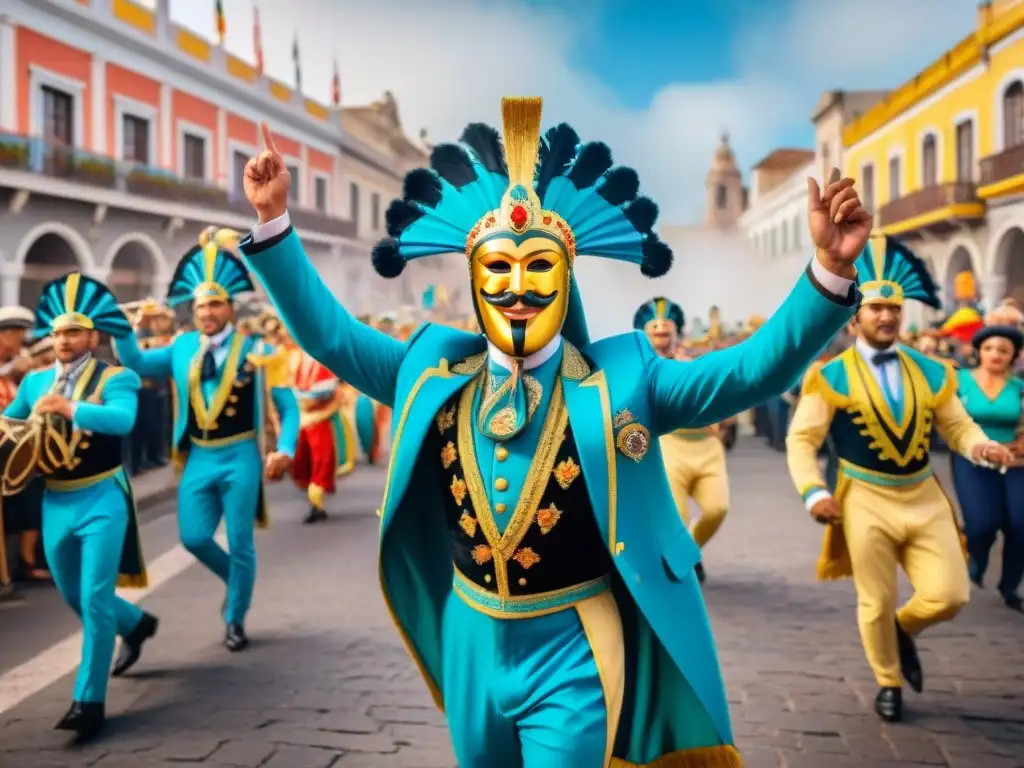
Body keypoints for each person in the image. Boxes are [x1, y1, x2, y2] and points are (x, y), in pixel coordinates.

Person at [236, 106, 867, 766]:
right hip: (468, 638)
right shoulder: (429, 369)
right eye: (497, 272)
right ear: (476, 286)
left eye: (537, 268)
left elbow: (746, 372)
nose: (516, 289)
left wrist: (827, 273)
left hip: (576, 647)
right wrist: (275, 225)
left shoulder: (626, 381)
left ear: (565, 282)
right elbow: (330, 336)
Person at [785, 234, 1015, 723]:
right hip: (863, 497)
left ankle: (900, 629)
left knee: (951, 594)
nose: (886, 316)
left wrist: (981, 446)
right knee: (874, 598)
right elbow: (802, 441)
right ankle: (887, 680)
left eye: (893, 308)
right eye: (875, 309)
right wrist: (814, 490)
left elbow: (956, 425)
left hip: (924, 496)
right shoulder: (830, 375)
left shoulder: (933, 370)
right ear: (856, 317)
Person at [112, 229, 299, 652]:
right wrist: (125, 330)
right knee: (194, 537)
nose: (208, 312)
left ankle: (235, 618)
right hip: (198, 456)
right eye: (200, 305)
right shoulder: (180, 348)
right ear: (192, 310)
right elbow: (137, 361)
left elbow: (288, 408)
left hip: (240, 455)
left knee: (240, 540)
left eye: (215, 303)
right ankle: (239, 581)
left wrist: (284, 449)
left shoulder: (258, 348)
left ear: (230, 307)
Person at [3, 273, 156, 740]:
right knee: (73, 593)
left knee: (92, 596)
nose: (63, 340)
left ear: (93, 336)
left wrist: (70, 410)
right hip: (55, 500)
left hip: (102, 496)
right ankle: (137, 624)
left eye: (73, 332)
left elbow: (124, 420)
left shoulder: (117, 376)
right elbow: (9, 425)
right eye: (57, 332)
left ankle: (88, 702)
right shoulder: (32, 382)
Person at [633, 298, 729, 584]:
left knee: (717, 509)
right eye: (655, 327)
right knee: (676, 518)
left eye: (666, 326)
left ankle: (689, 551)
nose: (661, 329)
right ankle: (680, 565)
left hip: (708, 447)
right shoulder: (638, 369)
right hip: (669, 446)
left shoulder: (692, 363)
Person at [951, 319, 1024, 611]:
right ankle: (977, 560)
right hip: (972, 459)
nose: (995, 354)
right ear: (979, 351)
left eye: (1003, 350)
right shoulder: (959, 381)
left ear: (1013, 356)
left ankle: (1009, 587)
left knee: (1020, 525)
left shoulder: (1019, 388)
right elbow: (948, 420)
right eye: (989, 348)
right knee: (982, 524)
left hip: (1014, 460)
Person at [285, 328, 356, 523]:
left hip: (322, 417)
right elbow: (287, 384)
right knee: (301, 461)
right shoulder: (294, 358)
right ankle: (314, 500)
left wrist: (305, 396)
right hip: (301, 419)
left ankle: (317, 503)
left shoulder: (325, 357)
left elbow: (329, 387)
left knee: (322, 460)